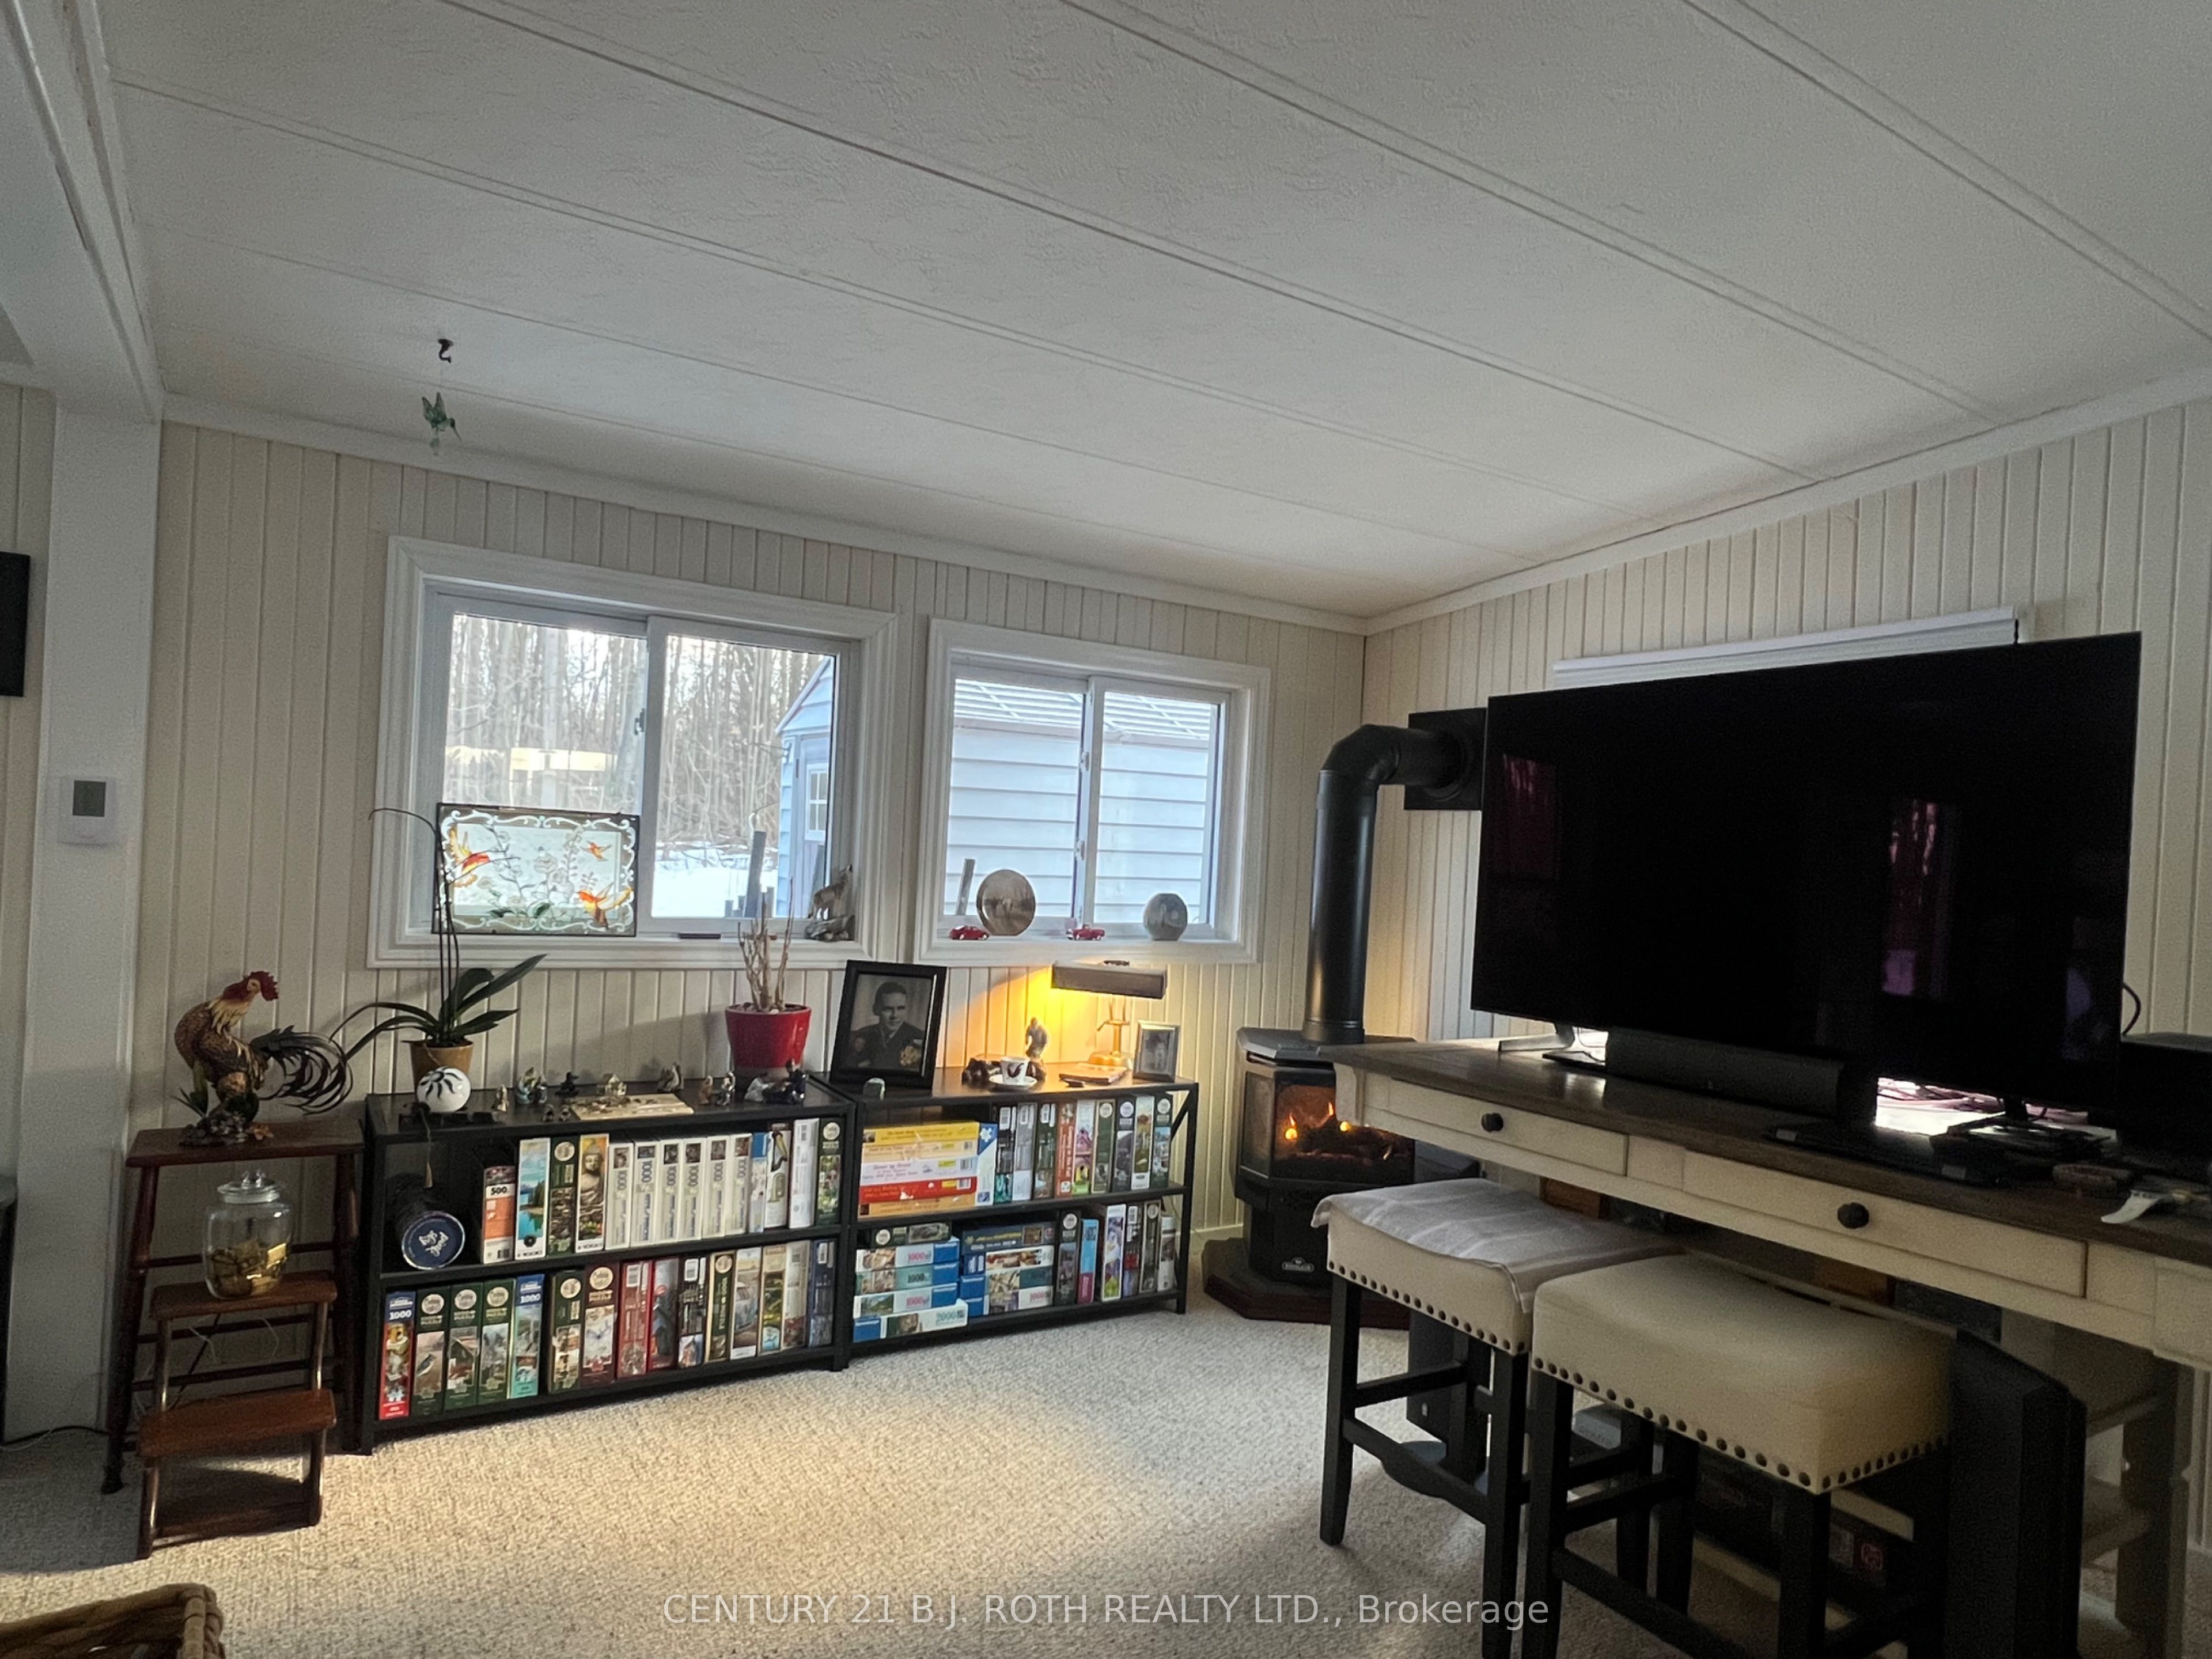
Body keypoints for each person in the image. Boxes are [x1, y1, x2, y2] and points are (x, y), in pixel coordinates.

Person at [846, 980, 928, 1073]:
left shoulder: (920, 1038)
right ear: (875, 1010)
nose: (895, 1015)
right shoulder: (861, 1036)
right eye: (888, 1009)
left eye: (901, 1008)